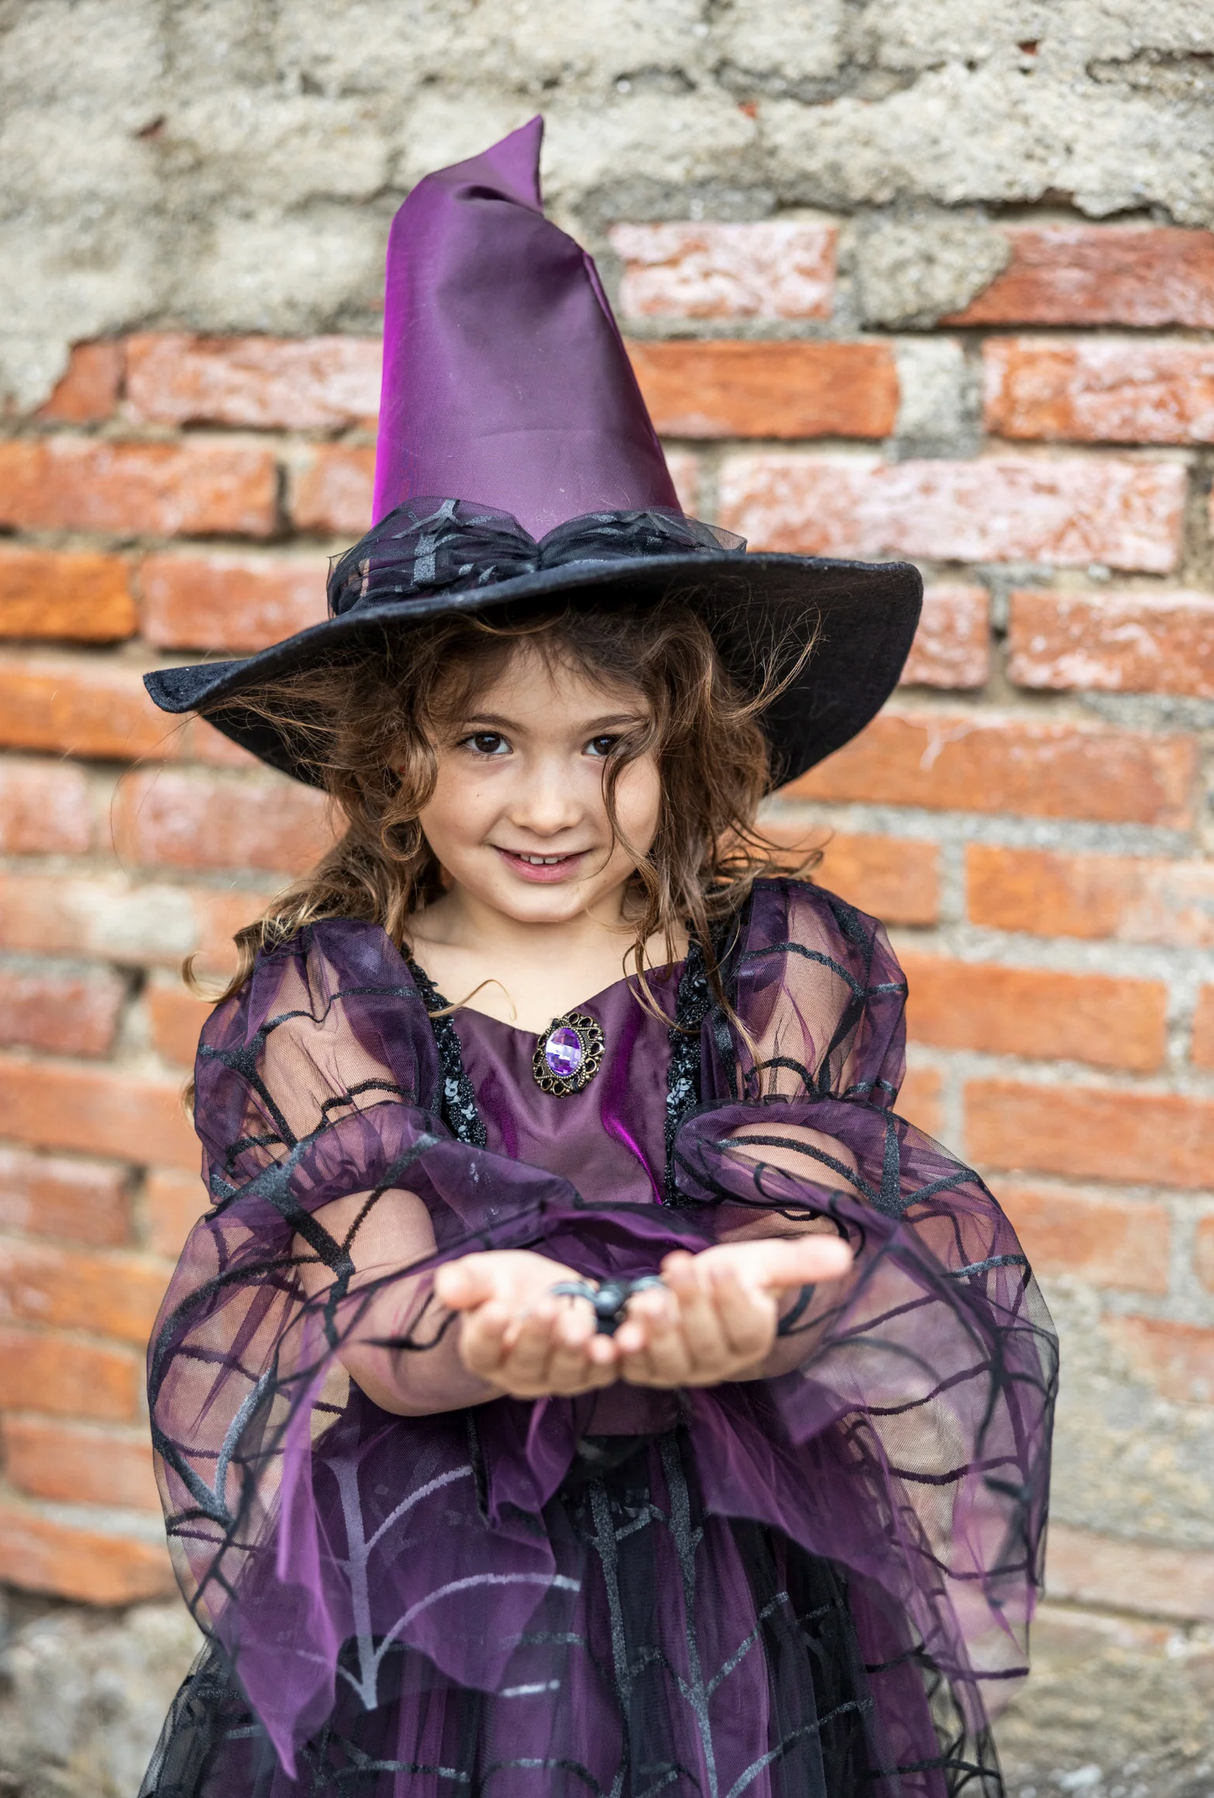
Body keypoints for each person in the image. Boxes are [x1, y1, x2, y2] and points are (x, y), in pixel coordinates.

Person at [138, 120, 1057, 1798]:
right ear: (390, 750)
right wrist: (482, 1339)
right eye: (485, 739)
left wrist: (755, 1306)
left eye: (607, 741)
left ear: (686, 737)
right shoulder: (330, 1007)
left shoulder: (775, 966)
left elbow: (801, 1239)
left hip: (738, 1594)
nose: (551, 803)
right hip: (425, 1615)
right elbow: (380, 1319)